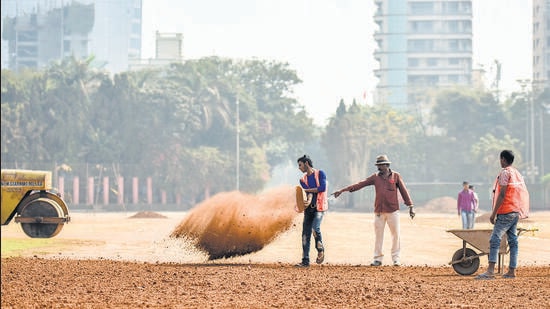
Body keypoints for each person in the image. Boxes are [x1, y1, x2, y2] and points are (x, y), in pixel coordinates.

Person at [333, 154, 415, 266]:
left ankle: (396, 259)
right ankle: (378, 259)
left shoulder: (395, 176)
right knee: (378, 236)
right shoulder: (375, 177)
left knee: (396, 235)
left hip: (393, 211)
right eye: (377, 165)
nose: (378, 167)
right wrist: (343, 190)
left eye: (380, 165)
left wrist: (410, 206)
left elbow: (404, 191)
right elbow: (360, 184)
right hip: (379, 212)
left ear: (387, 165)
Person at [475, 150, 530, 280]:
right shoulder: (516, 173)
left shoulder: (505, 173)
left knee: (494, 239)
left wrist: (493, 214)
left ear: (503, 159)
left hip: (506, 211)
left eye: (500, 159)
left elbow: (502, 194)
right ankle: (512, 271)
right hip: (515, 211)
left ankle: (490, 271)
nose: (500, 161)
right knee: (513, 241)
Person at [295, 154, 328, 268]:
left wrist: (307, 191)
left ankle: (320, 249)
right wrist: (308, 200)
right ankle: (305, 261)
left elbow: (322, 188)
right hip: (308, 209)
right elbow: (309, 193)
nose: (299, 168)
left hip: (319, 208)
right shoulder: (302, 179)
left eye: (300, 165)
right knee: (305, 234)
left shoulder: (320, 174)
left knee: (315, 228)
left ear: (306, 164)